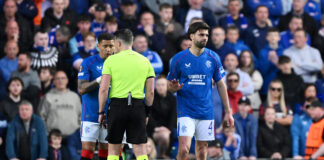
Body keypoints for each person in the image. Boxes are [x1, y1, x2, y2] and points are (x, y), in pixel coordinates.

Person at [167, 22, 234, 160]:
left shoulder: (213, 57)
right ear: (191, 36)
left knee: (203, 151)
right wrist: (173, 88)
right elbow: (169, 85)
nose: (205, 38)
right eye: (201, 35)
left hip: (205, 111)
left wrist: (228, 111)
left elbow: (221, 85)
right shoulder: (178, 59)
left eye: (206, 35)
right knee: (184, 149)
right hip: (186, 110)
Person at [98, 29, 155, 160]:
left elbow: (103, 89)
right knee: (140, 149)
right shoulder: (145, 60)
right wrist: (147, 112)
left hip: (117, 106)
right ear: (132, 42)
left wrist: (101, 112)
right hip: (137, 106)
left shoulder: (111, 61)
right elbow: (151, 92)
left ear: (118, 43)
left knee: (113, 149)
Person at [78, 33, 115, 160]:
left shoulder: (119, 63)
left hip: (112, 114)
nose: (108, 49)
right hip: (91, 113)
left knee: (108, 152)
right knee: (87, 151)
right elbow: (82, 89)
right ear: (98, 45)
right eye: (105, 46)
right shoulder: (89, 62)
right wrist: (100, 79)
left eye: (111, 46)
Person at [38, 71, 81, 137]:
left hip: (73, 138)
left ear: (67, 80)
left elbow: (81, 116)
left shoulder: (75, 96)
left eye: (63, 78)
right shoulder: (47, 97)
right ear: (54, 81)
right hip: (53, 138)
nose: (60, 80)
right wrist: (47, 133)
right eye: (58, 78)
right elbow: (41, 117)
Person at [146, 76, 177, 158]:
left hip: (167, 130)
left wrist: (168, 129)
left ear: (167, 86)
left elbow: (173, 116)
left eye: (162, 85)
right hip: (152, 130)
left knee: (166, 135)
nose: (160, 87)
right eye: (158, 85)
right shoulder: (151, 97)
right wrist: (156, 128)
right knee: (164, 135)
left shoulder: (172, 99)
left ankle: (162, 155)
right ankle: (161, 156)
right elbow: (148, 115)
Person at [258, 27, 284, 99]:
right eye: (270, 35)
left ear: (279, 38)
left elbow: (285, 70)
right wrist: (269, 61)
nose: (273, 37)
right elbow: (262, 71)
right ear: (267, 38)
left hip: (281, 86)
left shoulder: (284, 52)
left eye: (275, 35)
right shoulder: (263, 52)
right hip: (266, 86)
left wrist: (276, 62)